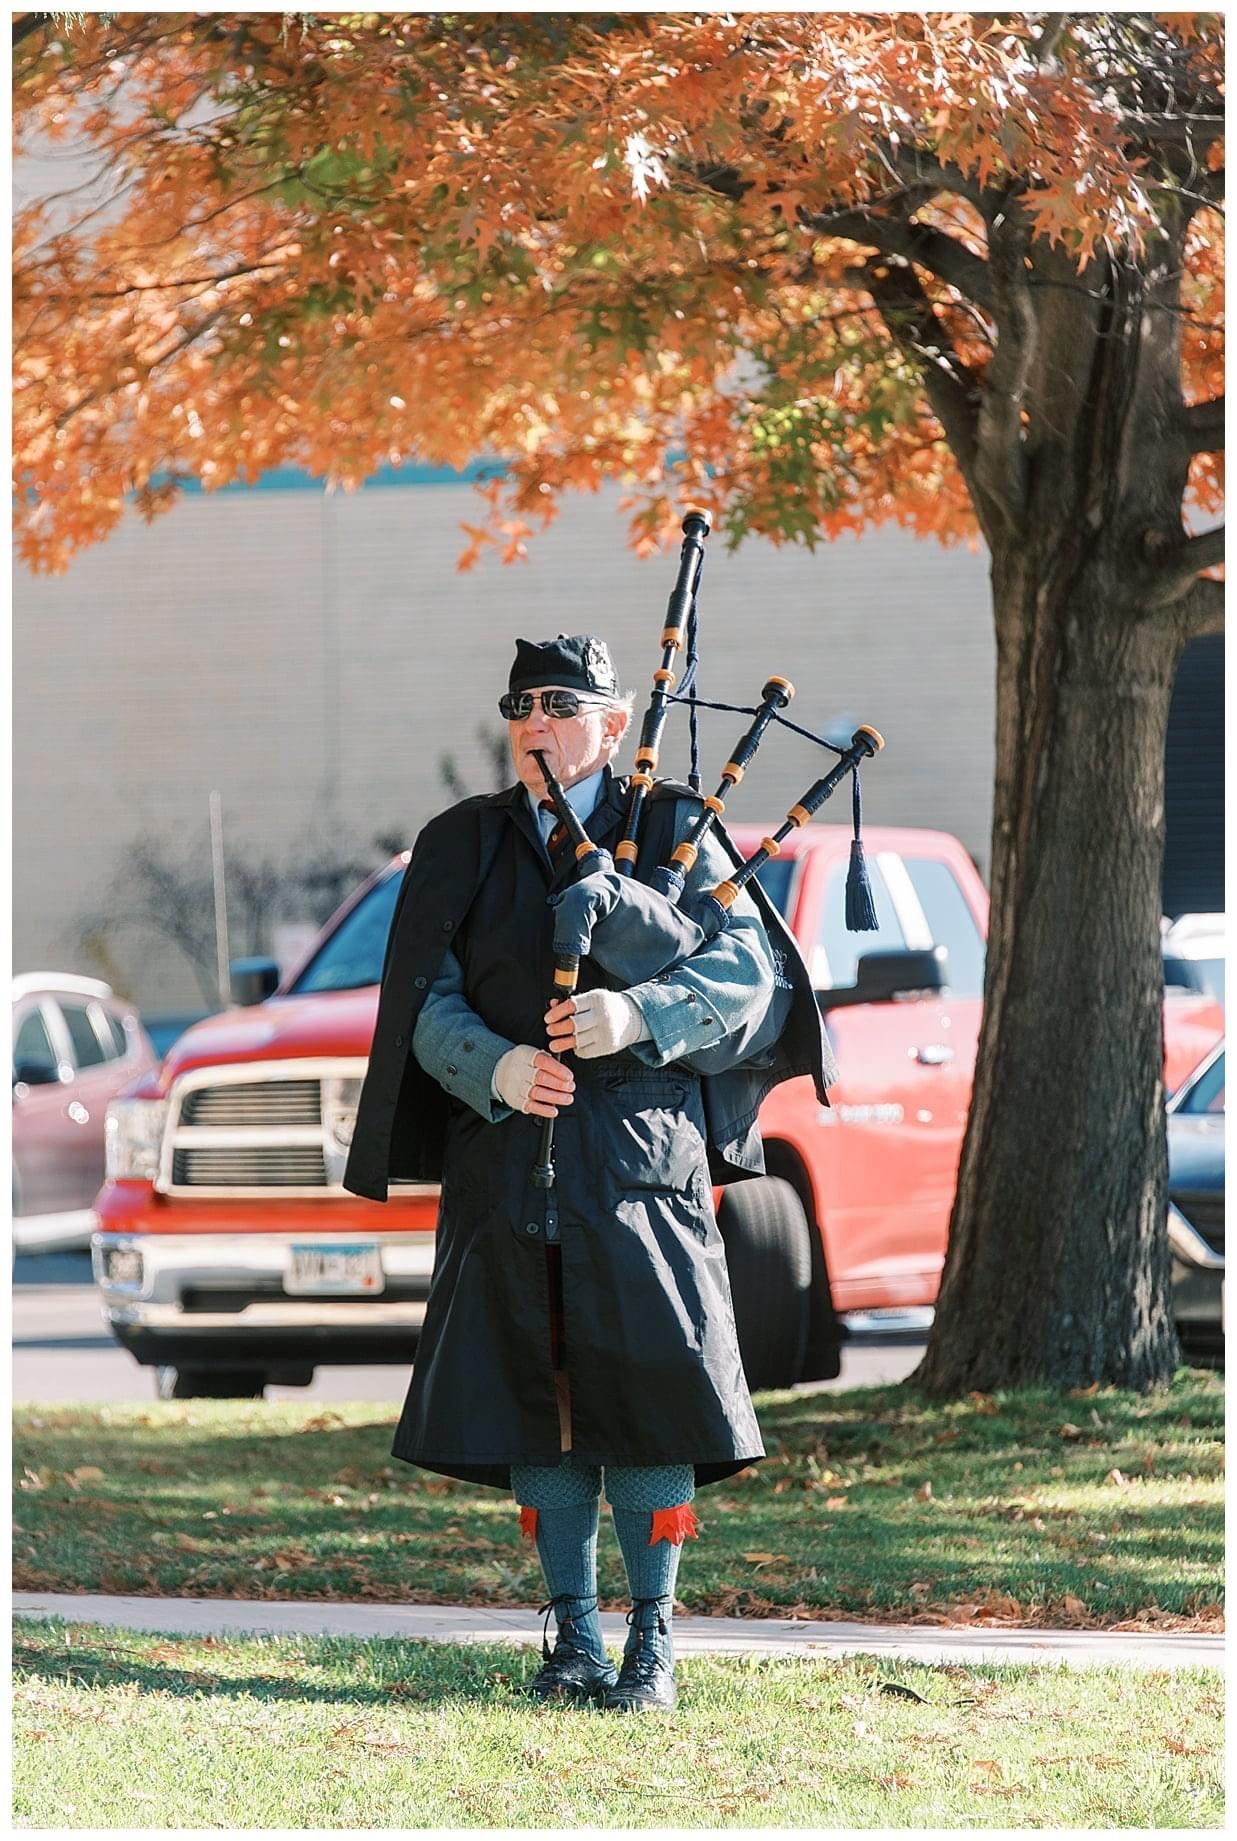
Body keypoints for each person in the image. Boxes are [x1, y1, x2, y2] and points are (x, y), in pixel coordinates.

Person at [344, 633, 833, 1712]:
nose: (534, 722)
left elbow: (751, 979)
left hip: (640, 1169)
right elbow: (423, 998)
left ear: (612, 726)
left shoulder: (673, 829)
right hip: (508, 1165)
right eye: (519, 705)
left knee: (651, 1405)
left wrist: (639, 1013)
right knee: (540, 1400)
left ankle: (651, 1643)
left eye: (559, 705)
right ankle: (572, 1635)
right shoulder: (463, 843)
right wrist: (496, 1064)